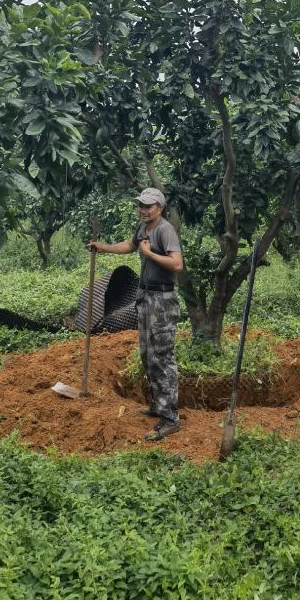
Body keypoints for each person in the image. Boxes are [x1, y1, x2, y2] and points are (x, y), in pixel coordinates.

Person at [90, 188, 184, 440]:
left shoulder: (165, 230)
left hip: (162, 300)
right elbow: (130, 246)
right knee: (147, 354)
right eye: (141, 205)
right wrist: (103, 247)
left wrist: (150, 254)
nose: (143, 209)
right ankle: (157, 405)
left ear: (160, 208)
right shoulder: (143, 228)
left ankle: (170, 417)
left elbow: (177, 264)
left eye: (149, 205)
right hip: (144, 297)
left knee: (162, 357)